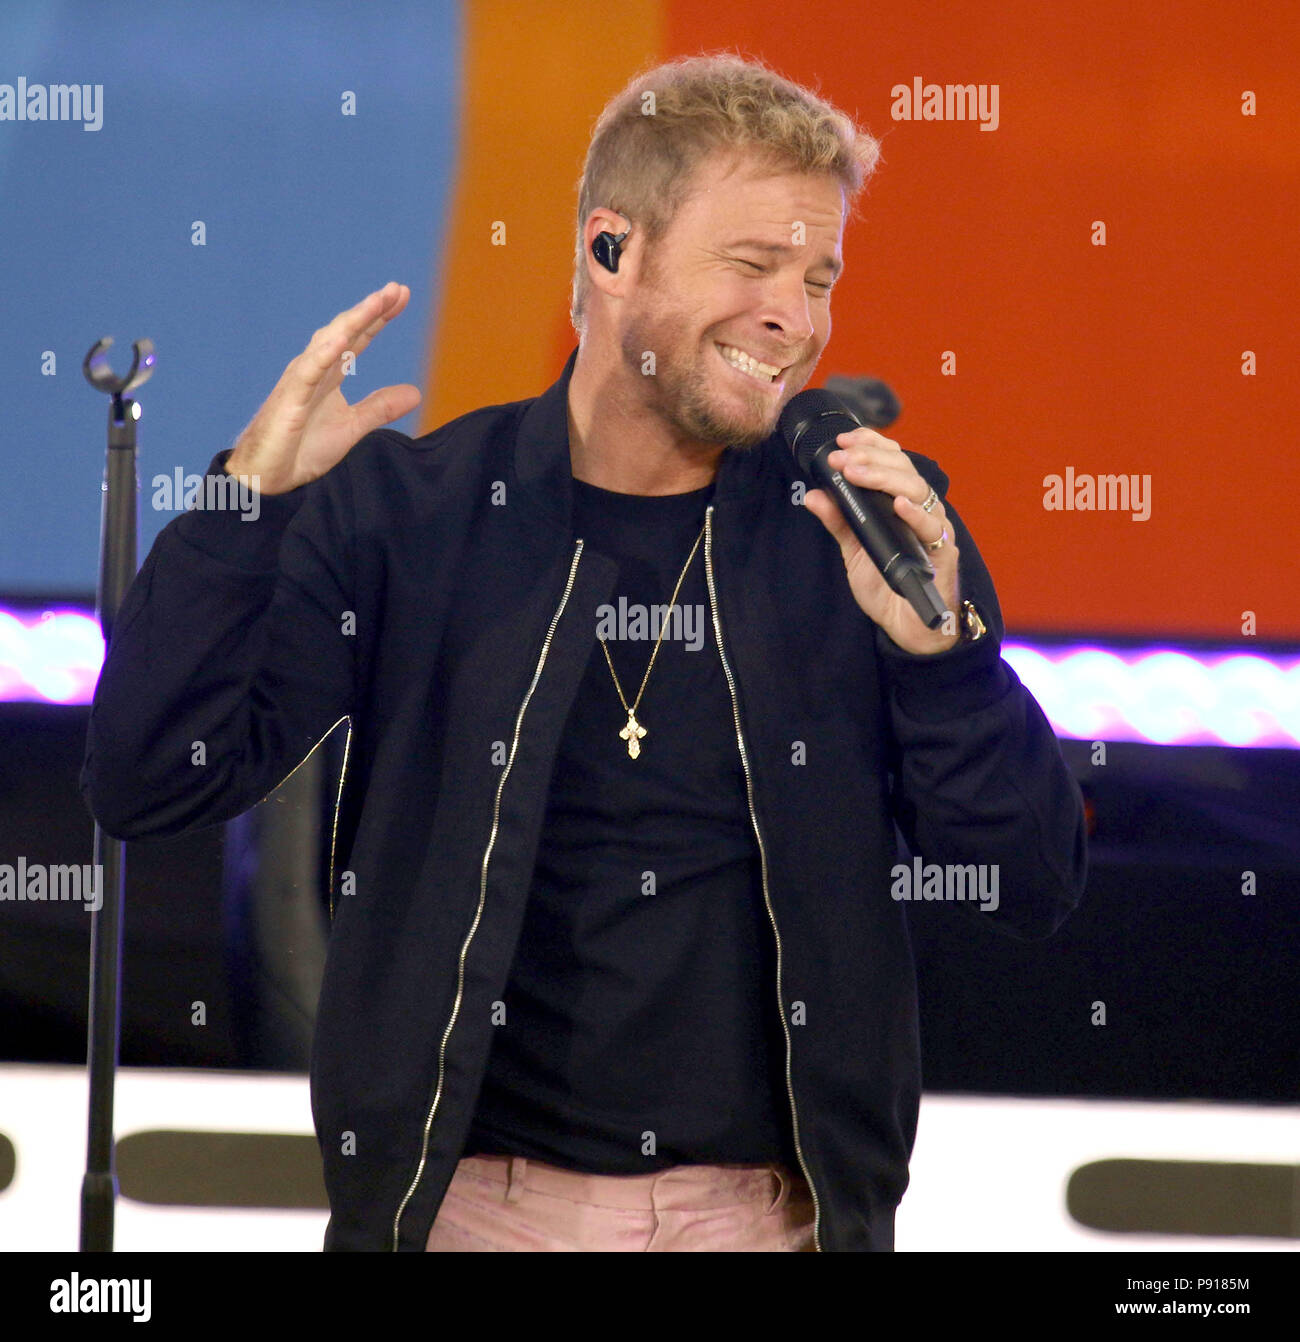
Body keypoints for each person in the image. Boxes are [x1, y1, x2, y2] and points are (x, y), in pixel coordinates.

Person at [81, 53, 1087, 1252]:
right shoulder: (414, 515)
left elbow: (1028, 880)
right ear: (612, 253)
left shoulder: (854, 530)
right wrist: (242, 512)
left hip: (766, 1222)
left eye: (819, 277)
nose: (797, 318)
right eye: (755, 265)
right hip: (465, 1215)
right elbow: (151, 779)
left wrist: (945, 661)